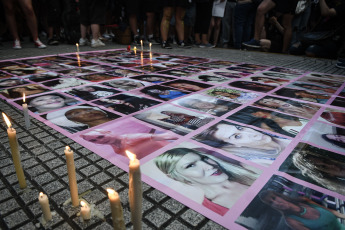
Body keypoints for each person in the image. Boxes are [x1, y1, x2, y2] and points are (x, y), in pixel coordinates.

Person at [154, 148, 260, 215]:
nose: (209, 166)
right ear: (177, 178)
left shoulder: (248, 170)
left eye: (204, 158)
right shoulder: (213, 210)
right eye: (191, 165)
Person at [194, 121, 290, 163]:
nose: (251, 133)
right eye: (237, 136)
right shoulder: (261, 161)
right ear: (234, 145)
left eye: (240, 128)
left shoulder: (276, 130)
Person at [260, 190, 345, 230]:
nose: (275, 203)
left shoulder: (304, 200)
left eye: (274, 198)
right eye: (270, 203)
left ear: (280, 196)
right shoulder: (291, 220)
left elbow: (330, 211)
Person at [81, 129, 178, 159]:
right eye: (93, 141)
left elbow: (170, 136)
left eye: (100, 137)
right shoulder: (114, 146)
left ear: (108, 132)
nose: (100, 141)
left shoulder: (131, 138)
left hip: (172, 156)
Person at [46, 105, 117, 133]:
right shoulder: (93, 136)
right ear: (75, 121)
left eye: (89, 109)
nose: (88, 112)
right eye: (77, 113)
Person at [254, 97, 320, 119]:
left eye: (270, 99)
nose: (271, 101)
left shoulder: (302, 101)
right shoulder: (288, 113)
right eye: (266, 102)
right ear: (269, 106)